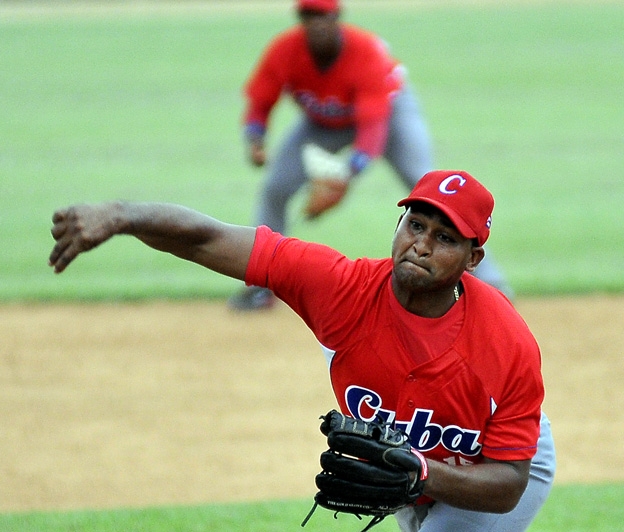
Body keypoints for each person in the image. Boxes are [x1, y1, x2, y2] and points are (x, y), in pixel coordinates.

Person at [48, 169, 555, 532]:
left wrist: (422, 471)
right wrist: (120, 215)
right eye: (415, 225)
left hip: (496, 461)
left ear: (473, 257)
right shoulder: (339, 288)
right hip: (414, 465)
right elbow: (208, 239)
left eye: (444, 237)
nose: (420, 245)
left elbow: (508, 483)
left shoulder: (505, 344)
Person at [229, 0, 513, 310]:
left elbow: (373, 132)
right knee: (275, 188)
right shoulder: (285, 50)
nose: (316, 23)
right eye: (307, 15)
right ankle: (261, 287)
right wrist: (255, 139)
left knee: (435, 195)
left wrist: (344, 179)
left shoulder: (364, 53)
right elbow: (260, 100)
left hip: (389, 116)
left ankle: (492, 284)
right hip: (322, 123)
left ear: (337, 17)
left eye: (322, 15)